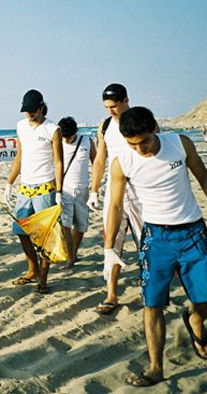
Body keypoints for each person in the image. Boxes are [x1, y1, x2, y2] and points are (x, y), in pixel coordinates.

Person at [103, 106, 207, 387]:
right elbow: (116, 206)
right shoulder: (123, 162)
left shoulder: (179, 144)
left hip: (193, 231)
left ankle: (195, 319)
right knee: (152, 303)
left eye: (144, 142)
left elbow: (204, 178)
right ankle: (155, 367)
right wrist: (109, 250)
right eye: (132, 144)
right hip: (155, 239)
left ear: (155, 129)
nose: (140, 149)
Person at [88, 83, 143, 315]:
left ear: (126, 100)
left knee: (146, 242)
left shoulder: (141, 120)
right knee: (111, 241)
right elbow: (100, 159)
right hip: (114, 191)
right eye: (106, 107)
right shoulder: (106, 125)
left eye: (114, 106)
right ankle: (111, 293)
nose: (110, 111)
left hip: (141, 190)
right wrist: (94, 189)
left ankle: (150, 288)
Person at [3, 89, 63, 294]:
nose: (28, 114)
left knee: (45, 235)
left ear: (41, 107)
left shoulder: (52, 129)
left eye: (32, 111)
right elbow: (20, 155)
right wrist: (9, 183)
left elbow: (58, 161)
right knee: (21, 231)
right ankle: (33, 269)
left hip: (45, 188)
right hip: (25, 188)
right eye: (25, 111)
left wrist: (60, 190)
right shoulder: (21, 126)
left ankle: (43, 279)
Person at [57, 117, 95, 268]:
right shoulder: (57, 142)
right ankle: (70, 258)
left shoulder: (87, 141)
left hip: (83, 189)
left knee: (80, 225)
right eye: (64, 137)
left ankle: (73, 252)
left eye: (70, 137)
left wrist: (95, 189)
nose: (67, 140)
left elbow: (96, 161)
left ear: (76, 132)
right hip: (64, 189)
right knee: (65, 224)